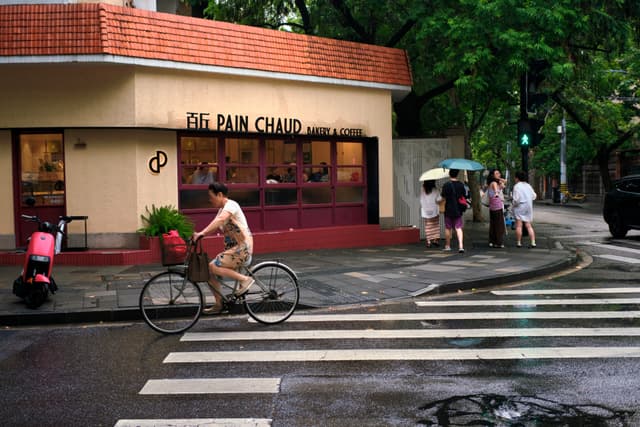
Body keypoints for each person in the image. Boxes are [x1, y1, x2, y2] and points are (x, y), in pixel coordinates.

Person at [192, 182, 254, 313]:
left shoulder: (231, 205)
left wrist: (201, 233)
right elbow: (214, 224)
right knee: (208, 272)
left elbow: (220, 220)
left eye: (211, 196)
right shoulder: (222, 210)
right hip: (234, 250)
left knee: (212, 266)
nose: (209, 200)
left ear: (219, 195)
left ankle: (245, 280)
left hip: (243, 248)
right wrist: (200, 235)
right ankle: (219, 304)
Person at [440, 169, 467, 253]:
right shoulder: (461, 185)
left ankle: (447, 246)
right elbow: (464, 195)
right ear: (457, 174)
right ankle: (461, 246)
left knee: (448, 228)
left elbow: (443, 196)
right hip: (458, 209)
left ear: (449, 174)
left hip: (448, 208)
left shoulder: (446, 185)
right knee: (458, 227)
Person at [512, 170, 537, 248]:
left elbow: (516, 199)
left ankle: (519, 242)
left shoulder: (516, 186)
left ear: (517, 178)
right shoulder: (528, 185)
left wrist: (513, 204)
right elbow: (534, 196)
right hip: (528, 206)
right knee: (528, 225)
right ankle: (533, 242)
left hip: (520, 207)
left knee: (519, 225)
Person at [486, 168, 506, 248]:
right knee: (499, 225)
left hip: (492, 207)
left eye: (499, 173)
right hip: (497, 207)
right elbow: (496, 190)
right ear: (493, 175)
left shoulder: (494, 182)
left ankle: (492, 241)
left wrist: (500, 180)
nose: (499, 175)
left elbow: (504, 184)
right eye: (497, 174)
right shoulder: (494, 183)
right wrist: (497, 193)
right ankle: (499, 242)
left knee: (493, 224)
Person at [420, 180, 442, 247]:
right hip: (434, 210)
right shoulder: (435, 190)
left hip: (425, 210)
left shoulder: (423, 189)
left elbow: (421, 199)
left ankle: (429, 241)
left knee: (428, 226)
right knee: (435, 225)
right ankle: (435, 240)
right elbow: (439, 199)